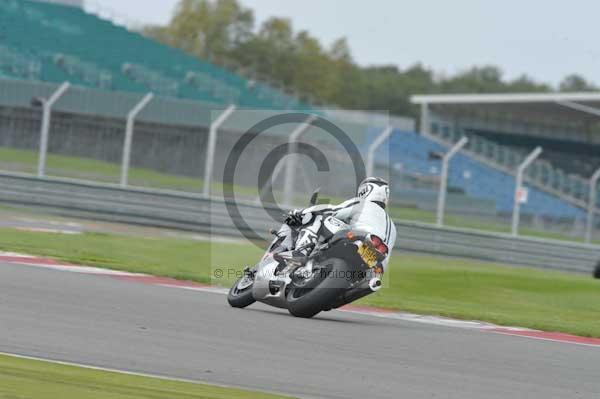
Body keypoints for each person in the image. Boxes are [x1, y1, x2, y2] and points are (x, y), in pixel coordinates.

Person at [273, 177, 396, 273]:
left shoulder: (361, 203)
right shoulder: (393, 227)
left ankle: (301, 253)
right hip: (374, 266)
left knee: (319, 218)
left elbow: (332, 211)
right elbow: (385, 258)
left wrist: (301, 212)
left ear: (365, 190)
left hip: (358, 239)